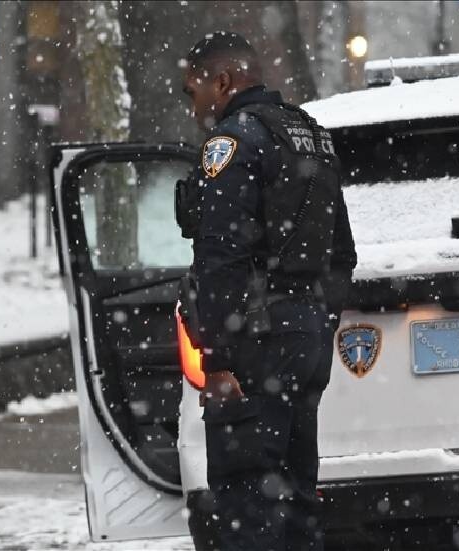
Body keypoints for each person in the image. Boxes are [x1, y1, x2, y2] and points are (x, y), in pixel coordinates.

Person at [175, 32, 357, 550]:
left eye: (195, 92)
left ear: (223, 81)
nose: (196, 108)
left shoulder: (231, 143)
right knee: (297, 500)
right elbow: (342, 254)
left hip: (254, 344)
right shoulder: (311, 135)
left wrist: (218, 359)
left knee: (244, 507)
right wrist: (315, 322)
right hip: (303, 341)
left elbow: (220, 260)